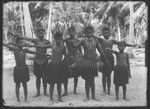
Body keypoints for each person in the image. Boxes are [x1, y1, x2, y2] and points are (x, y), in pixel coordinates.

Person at [3, 38, 48, 102]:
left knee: (24, 84)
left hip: (24, 69)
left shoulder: (25, 50)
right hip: (17, 69)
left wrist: (43, 54)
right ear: (17, 44)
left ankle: (25, 98)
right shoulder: (15, 50)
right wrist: (8, 43)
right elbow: (6, 45)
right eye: (19, 43)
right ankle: (18, 99)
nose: (21, 44)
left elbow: (34, 52)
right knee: (17, 85)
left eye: (22, 43)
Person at [73, 25, 110, 101]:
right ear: (85, 33)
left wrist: (105, 60)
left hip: (93, 62)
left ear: (92, 33)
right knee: (87, 80)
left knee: (92, 81)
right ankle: (87, 96)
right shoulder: (83, 41)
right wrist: (73, 43)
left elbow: (100, 51)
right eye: (87, 32)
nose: (89, 34)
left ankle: (93, 96)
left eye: (91, 32)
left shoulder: (95, 41)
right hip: (86, 62)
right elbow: (76, 46)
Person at [97, 25, 136, 95]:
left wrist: (132, 45)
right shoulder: (101, 40)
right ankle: (104, 90)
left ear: (110, 33)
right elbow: (94, 37)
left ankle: (108, 90)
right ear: (102, 34)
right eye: (105, 33)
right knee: (103, 76)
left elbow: (122, 43)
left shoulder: (112, 41)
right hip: (103, 58)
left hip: (110, 59)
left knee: (108, 76)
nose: (107, 34)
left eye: (108, 33)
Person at [13, 28, 51, 97]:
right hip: (37, 60)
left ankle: (45, 91)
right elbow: (28, 39)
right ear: (37, 34)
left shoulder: (47, 41)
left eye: (42, 33)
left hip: (44, 60)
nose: (41, 34)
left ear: (44, 34)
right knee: (38, 77)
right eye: (39, 33)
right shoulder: (35, 40)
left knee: (45, 77)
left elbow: (51, 45)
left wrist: (42, 46)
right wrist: (20, 37)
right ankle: (38, 92)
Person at [47, 30, 66, 103]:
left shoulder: (63, 46)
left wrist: (63, 63)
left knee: (59, 83)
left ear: (61, 38)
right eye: (56, 38)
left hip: (59, 66)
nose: (58, 40)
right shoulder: (52, 45)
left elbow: (65, 55)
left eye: (59, 38)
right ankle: (51, 98)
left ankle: (59, 98)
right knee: (52, 83)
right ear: (54, 39)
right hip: (53, 66)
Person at [62, 26, 83, 96]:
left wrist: (80, 58)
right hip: (68, 58)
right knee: (65, 75)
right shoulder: (67, 39)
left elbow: (80, 51)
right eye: (70, 32)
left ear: (75, 32)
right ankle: (65, 91)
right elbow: (60, 39)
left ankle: (74, 90)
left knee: (76, 75)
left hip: (75, 58)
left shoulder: (78, 40)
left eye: (72, 31)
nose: (71, 33)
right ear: (68, 33)